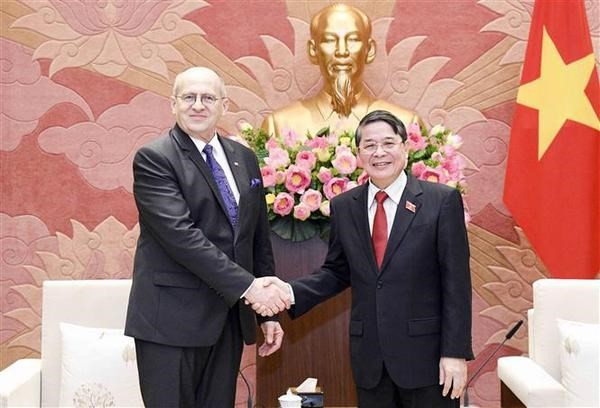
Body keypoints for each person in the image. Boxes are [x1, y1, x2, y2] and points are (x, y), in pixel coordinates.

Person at [259, 110, 473, 407]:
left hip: (428, 359)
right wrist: (288, 292)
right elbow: (336, 272)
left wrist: (455, 352)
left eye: (388, 143)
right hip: (370, 359)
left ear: (405, 147)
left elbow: (457, 284)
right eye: (370, 145)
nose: (379, 152)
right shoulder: (345, 206)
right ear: (358, 154)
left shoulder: (440, 201)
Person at [124, 67, 290, 407]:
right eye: (189, 97)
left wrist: (267, 314)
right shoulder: (155, 158)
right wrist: (250, 288)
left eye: (208, 98)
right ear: (173, 104)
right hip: (170, 322)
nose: (198, 105)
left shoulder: (243, 157)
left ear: (224, 106)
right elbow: (182, 237)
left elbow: (256, 237)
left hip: (226, 321)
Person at [261, 3, 422, 138]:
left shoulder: (407, 125)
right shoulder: (278, 126)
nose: (342, 51)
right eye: (329, 40)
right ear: (313, 50)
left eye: (353, 39)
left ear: (370, 50)